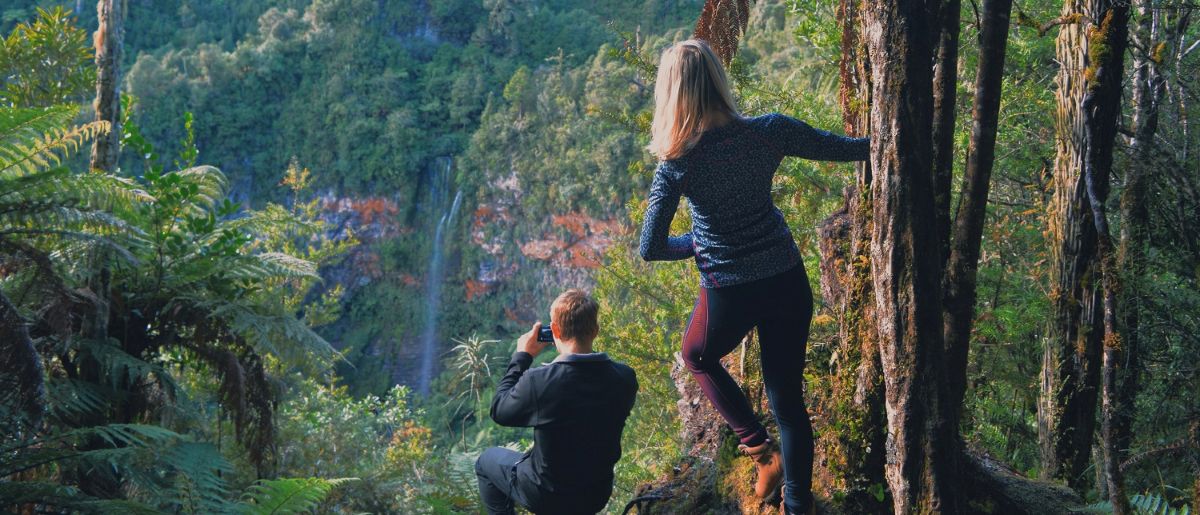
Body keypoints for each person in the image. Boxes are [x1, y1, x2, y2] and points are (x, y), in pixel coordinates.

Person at [638, 39, 869, 515]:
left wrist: (697, 243)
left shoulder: (677, 165)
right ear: (719, 82)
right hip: (786, 278)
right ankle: (797, 505)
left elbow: (652, 247)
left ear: (672, 96)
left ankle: (761, 453)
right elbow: (852, 150)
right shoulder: (770, 132)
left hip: (731, 291)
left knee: (696, 355)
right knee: (788, 398)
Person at [475, 289, 638, 515]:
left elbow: (499, 410)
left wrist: (522, 356)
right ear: (596, 330)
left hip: (546, 495)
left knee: (485, 462)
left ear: (554, 331)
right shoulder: (625, 378)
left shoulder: (540, 382)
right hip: (595, 494)